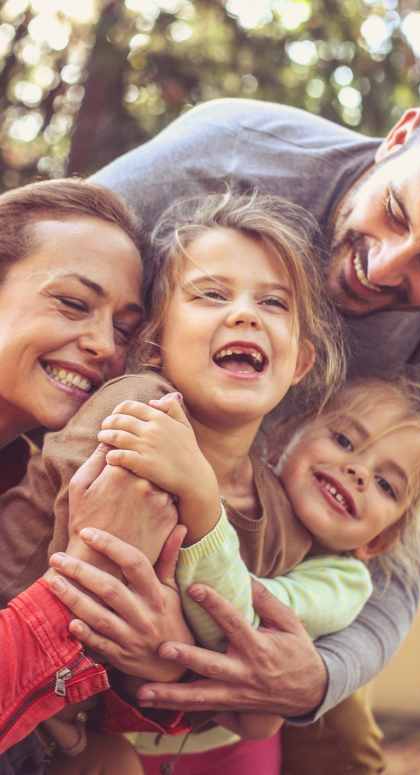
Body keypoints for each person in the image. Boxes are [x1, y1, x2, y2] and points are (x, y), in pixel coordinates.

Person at [76, 72, 420, 773]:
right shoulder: (228, 150)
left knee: (345, 747)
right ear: (400, 135)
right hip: (97, 490)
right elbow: (37, 277)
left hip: (282, 570)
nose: (380, 267)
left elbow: (395, 569)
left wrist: (316, 679)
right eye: (393, 210)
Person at [0, 189, 349, 773]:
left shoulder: (278, 505)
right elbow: (87, 583)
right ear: (157, 346)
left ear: (301, 363)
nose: (101, 344)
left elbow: (230, 683)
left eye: (273, 302)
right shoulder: (141, 416)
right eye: (212, 294)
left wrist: (165, 668)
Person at [69, 374, 420, 774]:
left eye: (386, 484)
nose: (358, 472)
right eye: (344, 441)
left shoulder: (345, 581)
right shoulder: (239, 491)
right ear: (285, 439)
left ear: (379, 540)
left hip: (222, 751)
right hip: (119, 724)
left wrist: (199, 502)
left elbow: (237, 617)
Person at [0, 179, 179, 771]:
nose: (103, 344)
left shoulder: (35, 474)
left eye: (125, 329)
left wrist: (151, 661)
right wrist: (84, 580)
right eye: (73, 303)